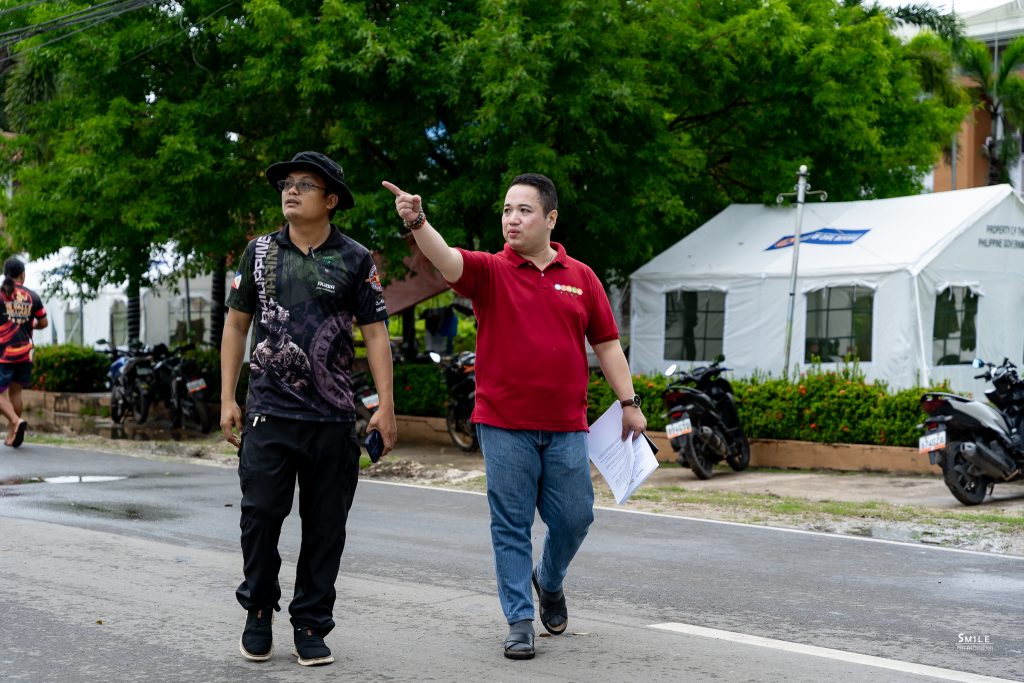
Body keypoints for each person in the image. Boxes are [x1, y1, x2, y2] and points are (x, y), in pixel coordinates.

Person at [383, 173, 647, 660]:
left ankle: (549, 580)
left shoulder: (581, 277)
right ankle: (519, 620)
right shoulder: (490, 271)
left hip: (568, 425)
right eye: (506, 210)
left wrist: (629, 403)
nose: (511, 219)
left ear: (549, 218)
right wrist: (418, 221)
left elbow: (606, 344)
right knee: (510, 524)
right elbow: (448, 259)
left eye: (523, 210)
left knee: (575, 517)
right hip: (502, 423)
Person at [221, 151, 397, 667]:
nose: (290, 191)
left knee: (325, 528)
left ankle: (311, 623)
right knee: (259, 518)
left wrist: (386, 406)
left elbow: (376, 334)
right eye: (286, 184)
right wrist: (228, 396)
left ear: (331, 200)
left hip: (333, 417)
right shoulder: (258, 253)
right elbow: (236, 324)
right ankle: (258, 612)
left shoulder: (356, 258)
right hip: (268, 413)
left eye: (304, 184)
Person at [0, 257, 43, 448]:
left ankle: (16, 422)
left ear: (5, 274)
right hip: (25, 352)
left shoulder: (1, 295)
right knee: (15, 392)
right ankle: (12, 433)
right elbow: (43, 322)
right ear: (23, 275)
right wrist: (26, 325)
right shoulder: (32, 296)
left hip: (4, 353)